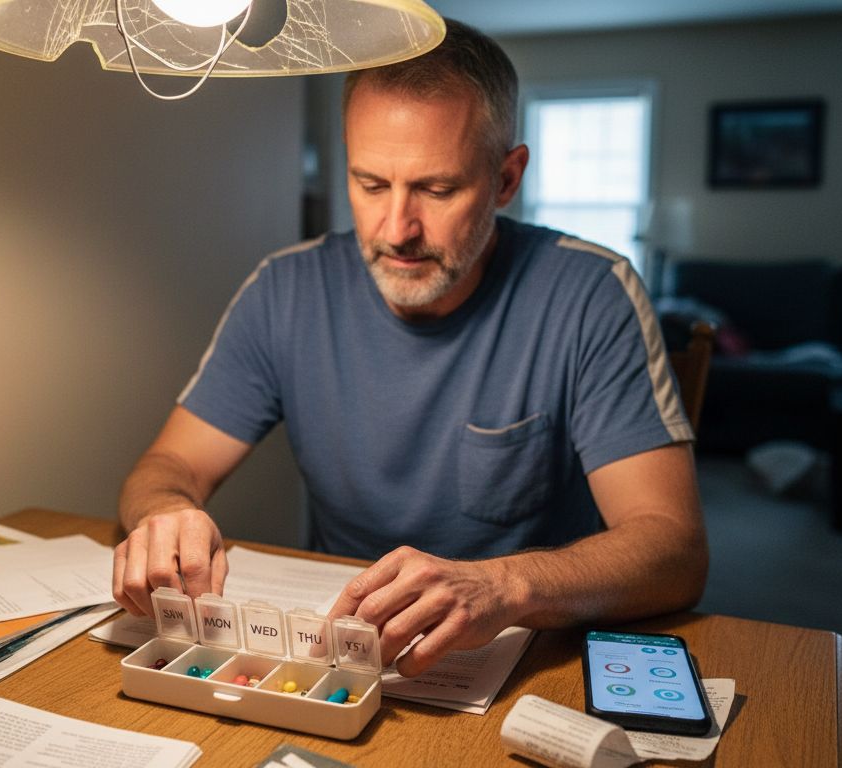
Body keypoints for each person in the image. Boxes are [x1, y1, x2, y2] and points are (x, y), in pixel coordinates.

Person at [112, 19, 707, 677]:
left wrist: (500, 587)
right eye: (370, 184)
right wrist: (167, 511)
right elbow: (168, 464)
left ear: (507, 179)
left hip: (524, 659)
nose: (397, 230)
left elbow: (673, 549)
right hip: (339, 660)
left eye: (437, 188)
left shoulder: (590, 291)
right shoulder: (286, 289)